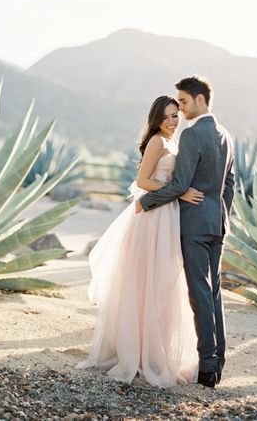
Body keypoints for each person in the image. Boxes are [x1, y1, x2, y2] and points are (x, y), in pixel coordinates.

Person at [77, 95, 202, 387]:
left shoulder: (174, 142)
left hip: (168, 215)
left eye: (176, 115)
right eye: (168, 116)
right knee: (148, 281)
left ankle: (156, 350)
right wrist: (177, 191)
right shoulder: (158, 141)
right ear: (157, 119)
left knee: (163, 282)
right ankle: (137, 352)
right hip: (153, 217)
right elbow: (143, 181)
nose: (173, 121)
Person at [136, 75, 235, 388]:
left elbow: (180, 185)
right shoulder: (226, 135)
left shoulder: (193, 135)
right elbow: (229, 184)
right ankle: (218, 361)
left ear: (200, 100)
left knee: (199, 294)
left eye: (183, 102)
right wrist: (220, 215)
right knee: (214, 292)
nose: (180, 108)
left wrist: (145, 201)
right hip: (218, 223)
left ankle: (207, 369)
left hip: (194, 224)